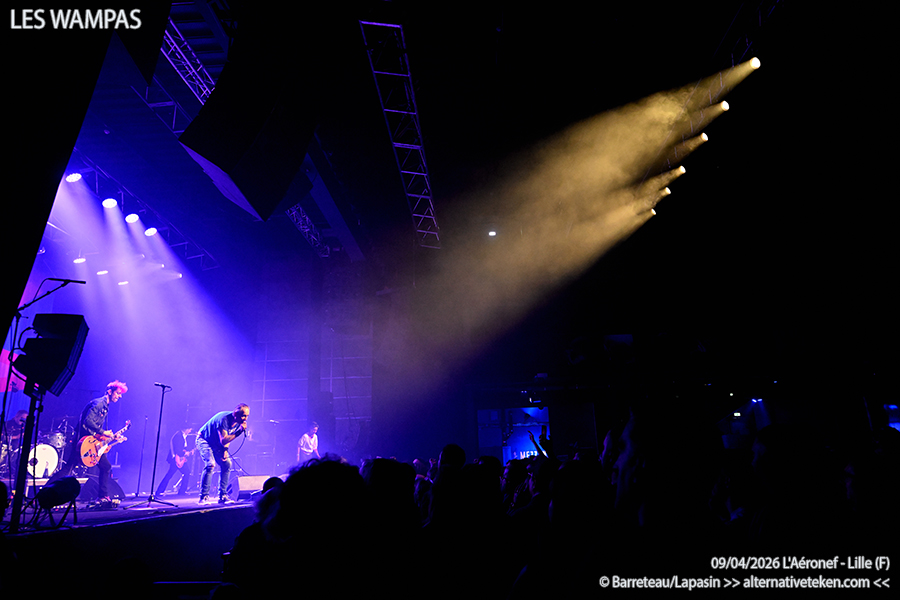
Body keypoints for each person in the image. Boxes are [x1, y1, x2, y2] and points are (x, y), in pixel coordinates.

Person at [57, 380, 128, 505]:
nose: (119, 396)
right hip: (83, 442)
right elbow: (88, 421)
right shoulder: (98, 403)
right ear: (109, 391)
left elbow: (94, 428)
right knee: (68, 467)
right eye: (117, 393)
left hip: (92, 442)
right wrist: (103, 432)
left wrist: (108, 438)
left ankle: (102, 496)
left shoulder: (106, 406)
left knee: (105, 466)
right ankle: (44, 494)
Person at [196, 404, 249, 505]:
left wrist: (225, 450)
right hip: (205, 440)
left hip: (217, 443)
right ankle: (203, 497)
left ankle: (223, 496)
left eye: (247, 416)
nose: (245, 419)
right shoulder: (224, 420)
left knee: (227, 464)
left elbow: (228, 437)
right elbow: (224, 440)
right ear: (235, 414)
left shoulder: (238, 423)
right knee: (210, 464)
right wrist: (239, 432)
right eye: (243, 416)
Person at [155, 426, 194, 497]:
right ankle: (161, 491)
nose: (190, 431)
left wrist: (188, 452)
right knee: (181, 473)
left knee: (178, 473)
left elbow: (182, 448)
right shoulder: (178, 436)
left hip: (179, 458)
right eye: (190, 429)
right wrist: (184, 454)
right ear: (186, 429)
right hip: (175, 458)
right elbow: (177, 449)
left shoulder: (182, 435)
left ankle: (160, 491)